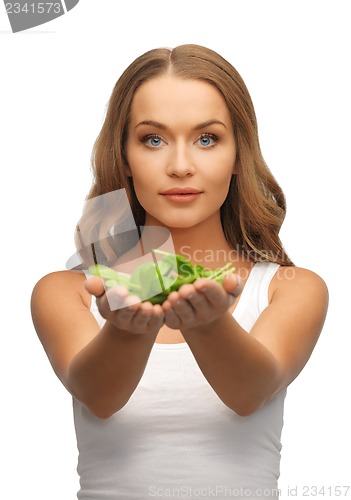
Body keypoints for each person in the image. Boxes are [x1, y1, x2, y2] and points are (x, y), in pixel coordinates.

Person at [31, 44, 329, 500]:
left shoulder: (289, 289)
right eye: (153, 139)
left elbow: (250, 393)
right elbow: (99, 397)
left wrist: (207, 324)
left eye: (207, 138)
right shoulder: (67, 291)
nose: (181, 166)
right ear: (125, 157)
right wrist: (129, 331)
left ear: (237, 155)